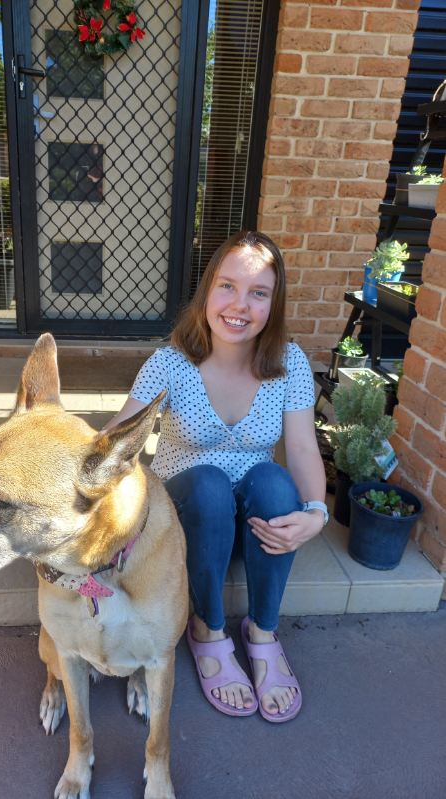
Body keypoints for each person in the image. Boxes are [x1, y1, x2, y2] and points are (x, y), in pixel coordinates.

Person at [105, 230, 327, 722]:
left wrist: (316, 512)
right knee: (206, 485)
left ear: (274, 303)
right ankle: (206, 628)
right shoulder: (168, 363)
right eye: (227, 286)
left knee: (274, 482)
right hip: (186, 519)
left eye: (258, 293)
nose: (239, 305)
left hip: (248, 526)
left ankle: (263, 632)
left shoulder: (289, 363)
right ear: (207, 291)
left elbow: (302, 446)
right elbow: (118, 439)